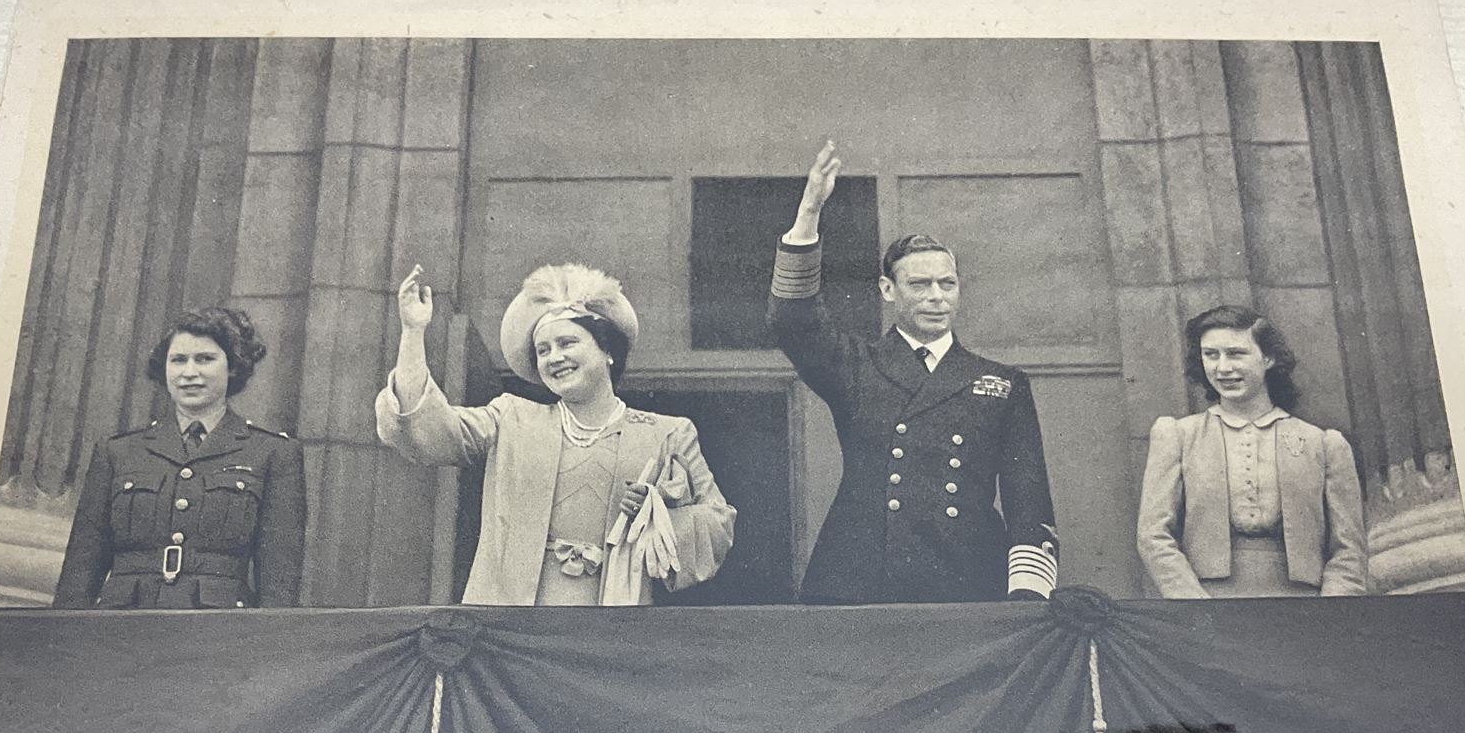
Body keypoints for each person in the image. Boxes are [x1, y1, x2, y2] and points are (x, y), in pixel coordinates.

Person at [768, 140, 1058, 604]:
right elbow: (792, 322)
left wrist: (1027, 593)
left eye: (947, 284)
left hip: (969, 577)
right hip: (863, 578)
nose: (936, 296)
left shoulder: (1002, 383)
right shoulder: (856, 366)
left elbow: (1029, 499)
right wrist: (809, 215)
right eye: (919, 284)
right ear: (888, 289)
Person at [375, 262, 735, 606]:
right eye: (543, 350)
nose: (553, 358)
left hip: (615, 626)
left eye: (566, 343)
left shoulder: (667, 433)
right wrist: (413, 332)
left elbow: (717, 523)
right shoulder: (511, 418)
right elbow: (431, 431)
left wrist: (656, 517)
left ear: (607, 350)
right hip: (513, 626)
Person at [53, 307, 307, 609]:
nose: (189, 372)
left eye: (205, 359)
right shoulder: (118, 452)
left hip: (218, 629)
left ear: (233, 367)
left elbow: (279, 578)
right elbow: (81, 569)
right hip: (121, 626)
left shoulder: (273, 454)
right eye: (178, 360)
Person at [1136, 305, 1369, 598]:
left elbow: (1349, 548)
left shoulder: (1322, 444)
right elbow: (1153, 535)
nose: (1222, 368)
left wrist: (1329, 610)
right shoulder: (1178, 436)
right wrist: (1196, 607)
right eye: (1211, 355)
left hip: (1304, 608)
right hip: (1208, 605)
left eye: (1236, 354)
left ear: (1268, 357)